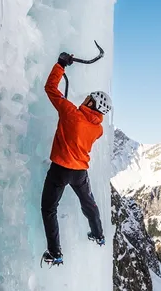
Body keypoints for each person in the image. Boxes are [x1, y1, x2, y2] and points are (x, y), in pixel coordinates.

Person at [40, 52, 112, 267]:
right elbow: (84, 126)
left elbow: (50, 88)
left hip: (59, 170)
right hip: (79, 172)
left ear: (92, 103)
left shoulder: (70, 112)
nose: (85, 98)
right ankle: (98, 234)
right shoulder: (97, 129)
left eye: (89, 98)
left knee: (49, 209)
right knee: (88, 203)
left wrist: (61, 64)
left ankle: (55, 252)